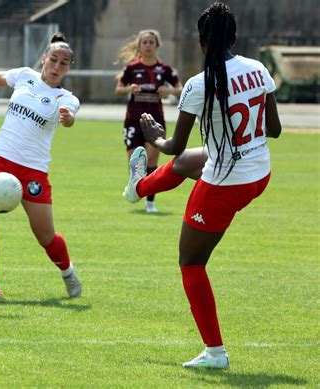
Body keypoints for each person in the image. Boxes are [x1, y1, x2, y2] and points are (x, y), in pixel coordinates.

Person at [124, 2, 281, 368]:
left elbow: (172, 145)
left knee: (191, 262)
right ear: (235, 37)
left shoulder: (199, 83)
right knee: (185, 163)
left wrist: (155, 137)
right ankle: (138, 188)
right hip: (259, 173)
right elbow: (273, 130)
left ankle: (215, 353)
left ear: (201, 40)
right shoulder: (258, 69)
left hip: (226, 183)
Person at [0, 33, 82, 298]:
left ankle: (67, 272)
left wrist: (67, 117)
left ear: (69, 67)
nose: (57, 66)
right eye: (54, 60)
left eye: (64, 63)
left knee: (45, 235)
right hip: (0, 156)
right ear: (44, 58)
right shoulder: (25, 75)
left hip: (33, 170)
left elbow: (70, 118)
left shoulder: (65, 97)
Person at [115, 29, 182, 213]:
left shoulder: (165, 69)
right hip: (133, 120)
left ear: (157, 45)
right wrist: (130, 88)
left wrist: (169, 91)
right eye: (144, 42)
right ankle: (137, 189)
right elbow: (119, 89)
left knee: (152, 159)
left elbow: (179, 88)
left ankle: (150, 202)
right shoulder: (131, 68)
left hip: (155, 121)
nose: (148, 45)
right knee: (135, 163)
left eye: (151, 42)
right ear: (139, 45)